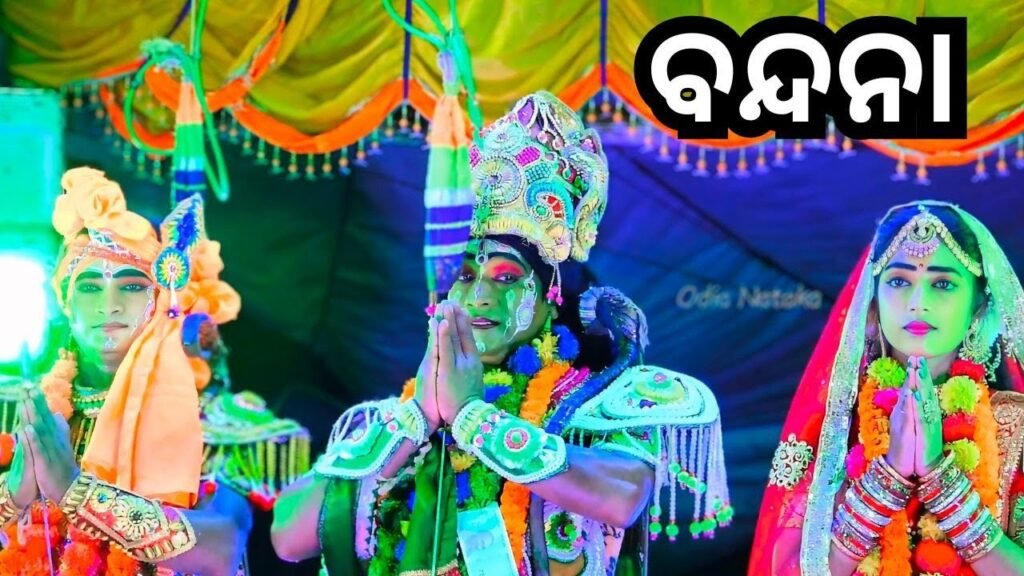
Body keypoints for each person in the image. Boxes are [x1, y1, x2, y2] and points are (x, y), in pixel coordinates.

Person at [271, 91, 732, 575]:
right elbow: (287, 535)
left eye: (507, 277)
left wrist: (473, 419)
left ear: (553, 292)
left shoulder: (596, 404)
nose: (480, 296)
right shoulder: (396, 421)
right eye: (465, 275)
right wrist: (418, 417)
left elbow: (621, 497)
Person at [0, 167, 306, 575]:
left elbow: (222, 546)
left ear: (163, 298)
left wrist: (75, 491)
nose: (108, 304)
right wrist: (12, 496)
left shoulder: (211, 420)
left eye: (131, 286)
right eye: (89, 287)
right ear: (66, 302)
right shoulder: (24, 412)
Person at [750, 201, 1024, 576]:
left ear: (979, 304)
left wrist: (938, 477)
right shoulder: (834, 430)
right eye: (898, 282)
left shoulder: (1015, 427)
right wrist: (888, 475)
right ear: (873, 300)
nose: (918, 303)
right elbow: (790, 570)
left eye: (942, 284)